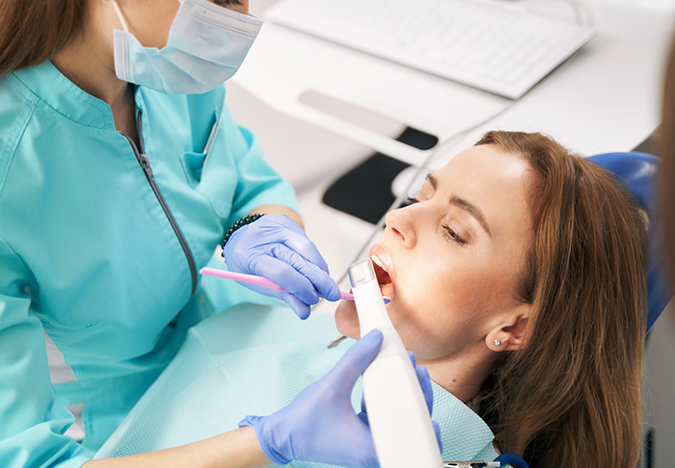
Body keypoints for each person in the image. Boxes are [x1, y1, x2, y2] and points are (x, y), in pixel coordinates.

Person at [0, 0, 409, 466]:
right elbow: (27, 458)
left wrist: (259, 224)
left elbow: (243, 176)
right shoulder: (9, 170)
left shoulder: (163, 67)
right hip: (122, 427)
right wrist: (267, 442)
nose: (237, 18)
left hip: (227, 336)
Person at [98, 131, 649, 468]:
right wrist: (249, 226)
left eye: (454, 231)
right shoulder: (337, 329)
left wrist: (262, 446)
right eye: (418, 196)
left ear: (515, 327)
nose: (397, 219)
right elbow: (230, 183)